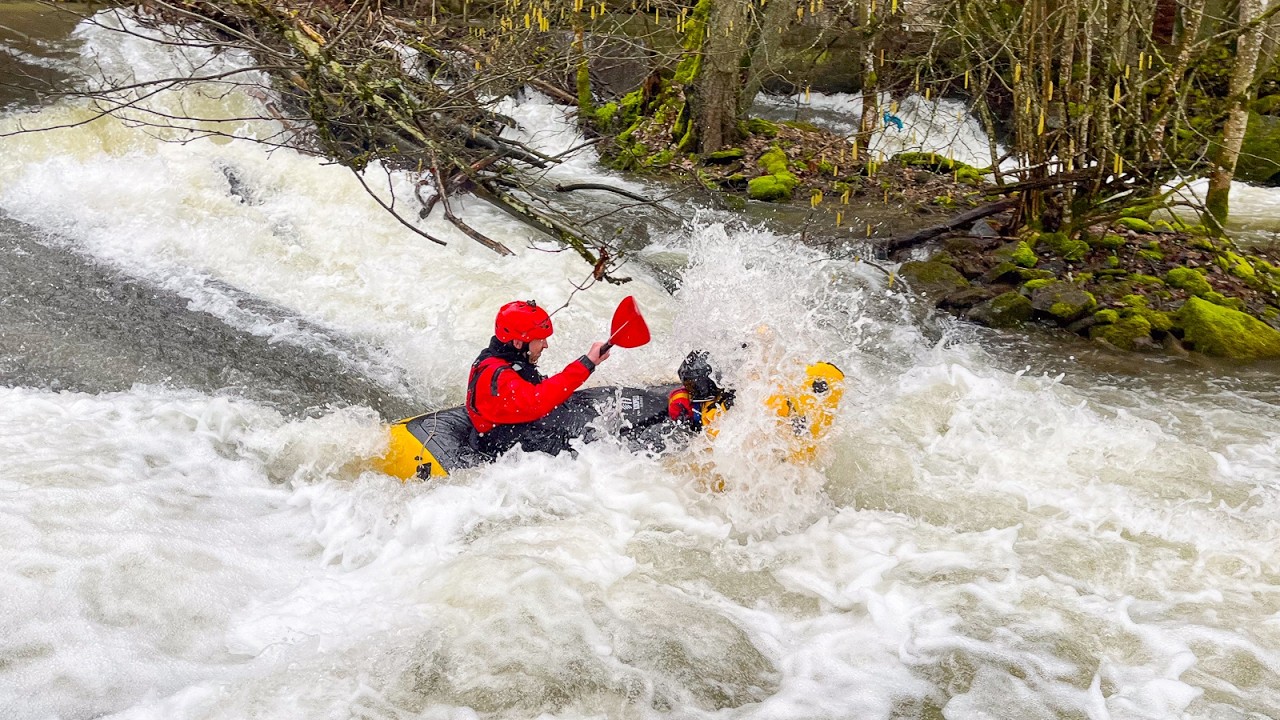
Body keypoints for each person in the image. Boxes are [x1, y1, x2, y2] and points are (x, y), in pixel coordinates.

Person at [466, 300, 611, 458]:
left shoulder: (501, 357)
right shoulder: (499, 376)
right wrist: (588, 362)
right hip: (498, 443)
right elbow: (537, 401)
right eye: (540, 340)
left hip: (510, 425)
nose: (545, 345)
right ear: (518, 342)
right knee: (590, 447)